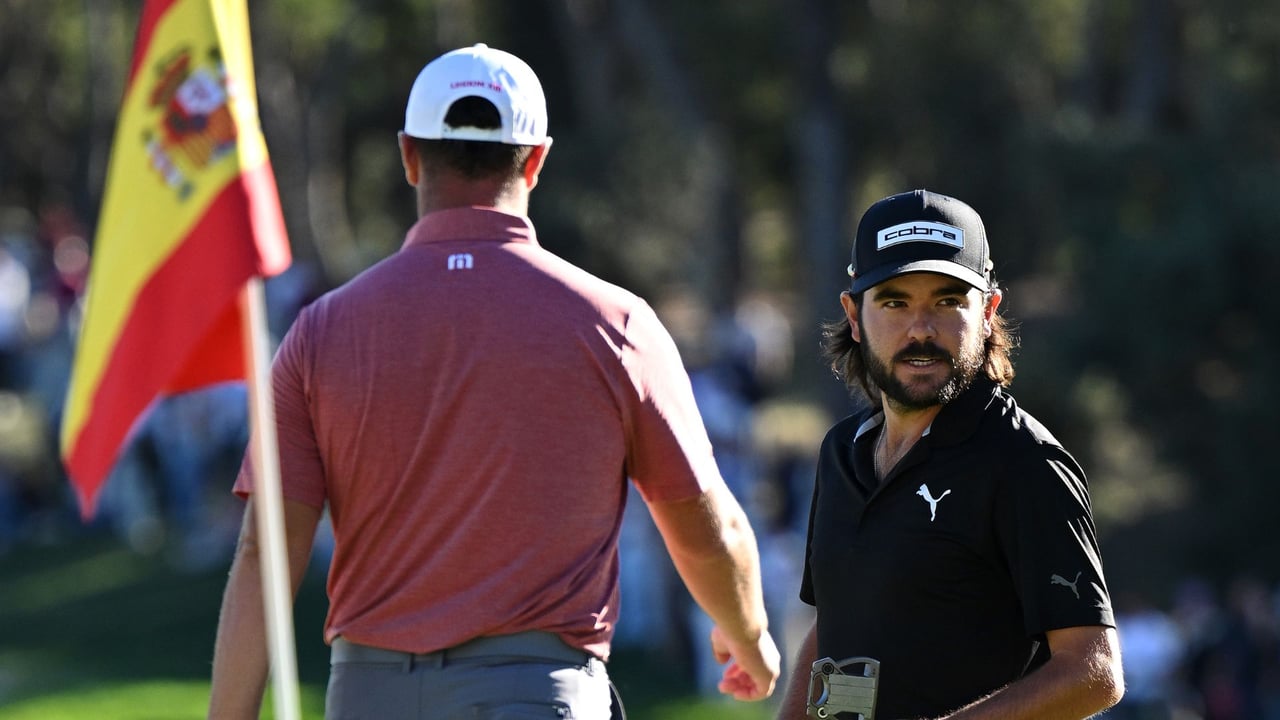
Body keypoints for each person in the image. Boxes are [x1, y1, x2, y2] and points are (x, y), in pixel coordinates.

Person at [207, 44, 779, 720]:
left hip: (368, 696)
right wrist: (749, 636)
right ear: (536, 160)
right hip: (538, 694)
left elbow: (264, 548)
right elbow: (698, 517)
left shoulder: (319, 332)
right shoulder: (617, 323)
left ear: (409, 156)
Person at [775, 189, 1124, 719]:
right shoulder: (841, 453)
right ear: (853, 314)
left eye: (947, 301)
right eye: (895, 302)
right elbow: (835, 623)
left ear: (987, 311)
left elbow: (1093, 672)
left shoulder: (1024, 462)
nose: (921, 329)